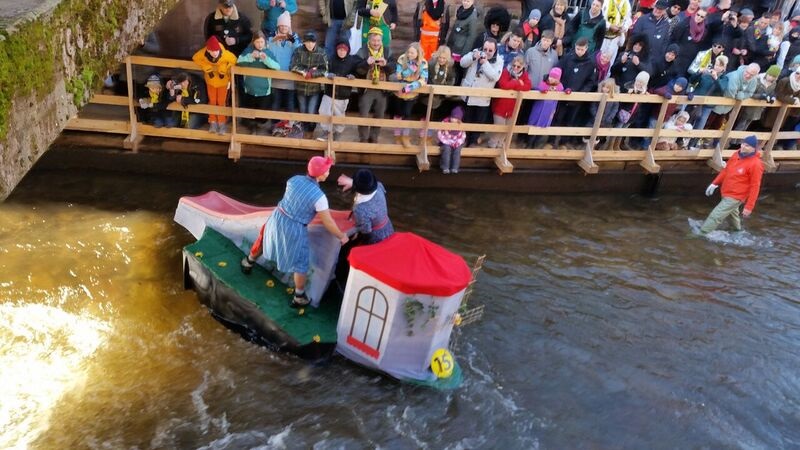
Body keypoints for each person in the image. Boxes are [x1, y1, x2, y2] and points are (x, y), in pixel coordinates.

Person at [241, 156, 349, 308]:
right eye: (327, 170)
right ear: (321, 174)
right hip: (294, 228)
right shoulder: (320, 197)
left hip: (278, 217)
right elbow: (328, 222)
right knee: (300, 262)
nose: (329, 172)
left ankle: (248, 262)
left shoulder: (293, 180)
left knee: (266, 238)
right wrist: (341, 235)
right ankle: (299, 296)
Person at [700, 135, 764, 235]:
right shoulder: (736, 155)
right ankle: (737, 232)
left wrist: (749, 206)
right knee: (732, 215)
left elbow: (755, 186)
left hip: (736, 196)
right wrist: (714, 183)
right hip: (726, 192)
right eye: (743, 144)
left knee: (716, 215)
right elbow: (726, 170)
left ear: (753, 148)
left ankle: (701, 233)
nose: (743, 146)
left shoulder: (756, 164)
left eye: (747, 146)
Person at [460, 38, 504, 147]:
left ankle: (473, 142)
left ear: (495, 50)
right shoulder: (475, 52)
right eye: (485, 49)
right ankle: (464, 139)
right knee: (466, 119)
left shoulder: (499, 60)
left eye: (490, 50)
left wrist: (485, 63)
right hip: (469, 94)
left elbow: (495, 76)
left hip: (482, 98)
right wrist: (473, 57)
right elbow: (462, 63)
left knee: (478, 121)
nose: (487, 52)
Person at [356, 27, 396, 143]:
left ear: (381, 41)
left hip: (382, 89)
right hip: (366, 89)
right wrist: (366, 64)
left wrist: (386, 64)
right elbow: (357, 69)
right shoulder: (362, 51)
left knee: (379, 114)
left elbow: (394, 68)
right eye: (374, 40)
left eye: (378, 40)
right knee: (363, 114)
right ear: (369, 40)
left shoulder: (387, 51)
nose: (376, 43)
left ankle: (374, 137)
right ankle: (363, 138)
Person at [192, 36, 237, 135]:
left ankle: (222, 124)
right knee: (212, 101)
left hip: (223, 82)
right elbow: (195, 58)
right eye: (212, 51)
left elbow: (234, 60)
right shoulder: (203, 53)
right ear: (208, 50)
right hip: (211, 82)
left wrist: (225, 67)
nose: (215, 53)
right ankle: (212, 123)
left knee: (221, 102)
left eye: (216, 51)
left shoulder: (225, 54)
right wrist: (206, 66)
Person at [237, 31, 280, 133]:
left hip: (264, 90)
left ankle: (260, 127)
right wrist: (250, 56)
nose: (259, 44)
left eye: (261, 42)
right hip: (250, 89)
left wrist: (266, 59)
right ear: (253, 42)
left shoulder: (268, 52)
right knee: (250, 112)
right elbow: (239, 62)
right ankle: (252, 127)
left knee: (262, 114)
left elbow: (277, 67)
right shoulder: (248, 51)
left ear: (264, 42)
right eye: (257, 42)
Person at [317, 39, 360, 142]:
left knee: (339, 115)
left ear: (347, 51)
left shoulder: (352, 61)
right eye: (339, 49)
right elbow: (323, 70)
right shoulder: (331, 59)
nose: (341, 52)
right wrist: (328, 75)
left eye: (344, 50)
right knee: (324, 112)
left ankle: (338, 133)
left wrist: (353, 76)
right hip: (329, 92)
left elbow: (357, 72)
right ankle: (326, 132)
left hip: (343, 94)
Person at [337, 169, 394, 244]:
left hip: (376, 237)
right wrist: (353, 183)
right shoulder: (379, 186)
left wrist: (357, 237)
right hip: (387, 227)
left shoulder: (360, 208)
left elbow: (366, 230)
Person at [291, 31, 329, 139]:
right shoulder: (298, 51)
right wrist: (304, 72)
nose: (310, 45)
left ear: (315, 42)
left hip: (315, 89)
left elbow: (325, 70)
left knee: (311, 110)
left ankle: (311, 130)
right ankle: (304, 130)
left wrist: (312, 73)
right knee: (303, 110)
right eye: (307, 42)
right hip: (301, 87)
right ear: (304, 42)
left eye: (312, 42)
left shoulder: (321, 53)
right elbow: (293, 66)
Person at [391, 42, 428, 147]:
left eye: (412, 53)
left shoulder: (423, 63)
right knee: (398, 112)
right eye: (408, 52)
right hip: (400, 88)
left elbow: (423, 80)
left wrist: (409, 88)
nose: (409, 55)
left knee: (407, 113)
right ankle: (397, 134)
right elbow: (398, 75)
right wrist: (409, 70)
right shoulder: (402, 58)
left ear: (418, 53)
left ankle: (405, 135)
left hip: (412, 89)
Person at [265, 12, 301, 119]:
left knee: (289, 104)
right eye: (282, 25)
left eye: (286, 26)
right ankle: (274, 126)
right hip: (276, 76)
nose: (284, 28)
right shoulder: (271, 37)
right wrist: (275, 40)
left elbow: (299, 51)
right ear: (278, 25)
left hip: (289, 77)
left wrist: (294, 41)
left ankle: (288, 126)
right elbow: (267, 50)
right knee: (275, 103)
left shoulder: (294, 38)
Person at [490, 55, 531, 148]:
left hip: (513, 108)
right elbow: (503, 85)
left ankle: (500, 145)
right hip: (500, 106)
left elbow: (527, 86)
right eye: (514, 65)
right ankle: (492, 144)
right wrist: (517, 83)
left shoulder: (525, 75)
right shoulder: (505, 71)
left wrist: (513, 84)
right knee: (499, 127)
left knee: (507, 128)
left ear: (523, 67)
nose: (515, 68)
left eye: (518, 66)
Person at [527, 67, 564, 148]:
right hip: (539, 108)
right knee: (534, 125)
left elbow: (562, 92)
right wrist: (541, 91)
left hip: (549, 110)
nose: (551, 79)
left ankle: (537, 145)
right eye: (551, 76)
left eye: (554, 78)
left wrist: (567, 91)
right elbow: (537, 89)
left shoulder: (560, 86)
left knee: (543, 127)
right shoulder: (544, 83)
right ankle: (529, 144)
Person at [437, 105, 467, 173]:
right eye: (453, 117)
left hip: (456, 142)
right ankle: (445, 167)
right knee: (446, 150)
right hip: (446, 141)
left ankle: (455, 168)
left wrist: (458, 143)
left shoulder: (461, 125)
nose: (453, 119)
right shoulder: (444, 123)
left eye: (456, 118)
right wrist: (447, 142)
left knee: (457, 151)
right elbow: (440, 134)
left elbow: (463, 136)